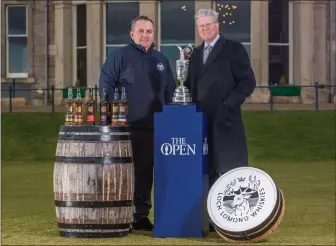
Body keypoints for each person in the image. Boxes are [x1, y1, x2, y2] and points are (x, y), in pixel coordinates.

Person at [98, 15, 176, 231]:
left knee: (144, 173)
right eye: (141, 31)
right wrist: (114, 118)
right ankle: (117, 215)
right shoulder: (118, 57)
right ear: (132, 34)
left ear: (153, 34)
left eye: (149, 31)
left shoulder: (161, 60)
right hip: (125, 128)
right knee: (120, 173)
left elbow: (169, 92)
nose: (145, 35)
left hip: (154, 128)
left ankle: (140, 216)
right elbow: (106, 89)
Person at [185, 9, 256, 231]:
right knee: (207, 171)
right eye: (201, 26)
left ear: (217, 25)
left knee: (231, 171)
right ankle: (212, 220)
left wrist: (229, 104)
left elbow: (247, 82)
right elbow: (189, 85)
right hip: (201, 122)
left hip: (226, 121)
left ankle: (236, 220)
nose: (205, 29)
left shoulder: (233, 49)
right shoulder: (195, 55)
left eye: (208, 25)